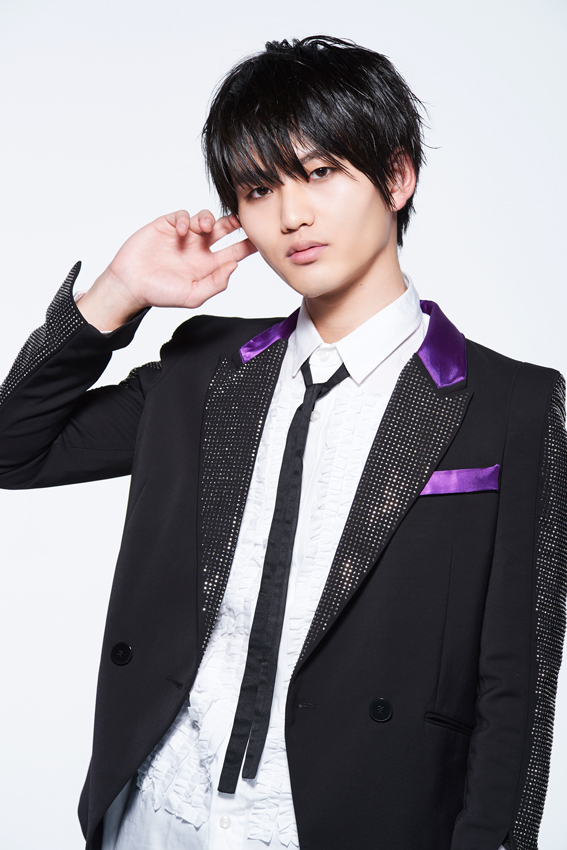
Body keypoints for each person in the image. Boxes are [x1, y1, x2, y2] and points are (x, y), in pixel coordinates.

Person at [0, 34, 565, 850]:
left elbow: (516, 688)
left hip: (350, 818)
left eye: (320, 172)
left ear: (396, 177)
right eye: (259, 188)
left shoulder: (508, 404)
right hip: (156, 812)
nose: (290, 215)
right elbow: (13, 448)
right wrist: (118, 293)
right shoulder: (203, 372)